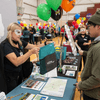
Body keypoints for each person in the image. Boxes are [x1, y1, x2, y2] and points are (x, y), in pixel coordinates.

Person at [2, 22, 43, 93]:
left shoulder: (19, 42)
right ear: (11, 33)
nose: (20, 34)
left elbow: (34, 47)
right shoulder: (6, 45)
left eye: (20, 32)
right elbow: (16, 62)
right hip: (10, 80)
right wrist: (30, 52)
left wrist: (45, 44)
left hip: (20, 76)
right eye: (17, 32)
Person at [76, 10, 100, 100]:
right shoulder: (96, 43)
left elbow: (97, 78)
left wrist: (81, 85)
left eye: (89, 26)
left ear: (98, 26)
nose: (87, 29)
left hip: (93, 94)